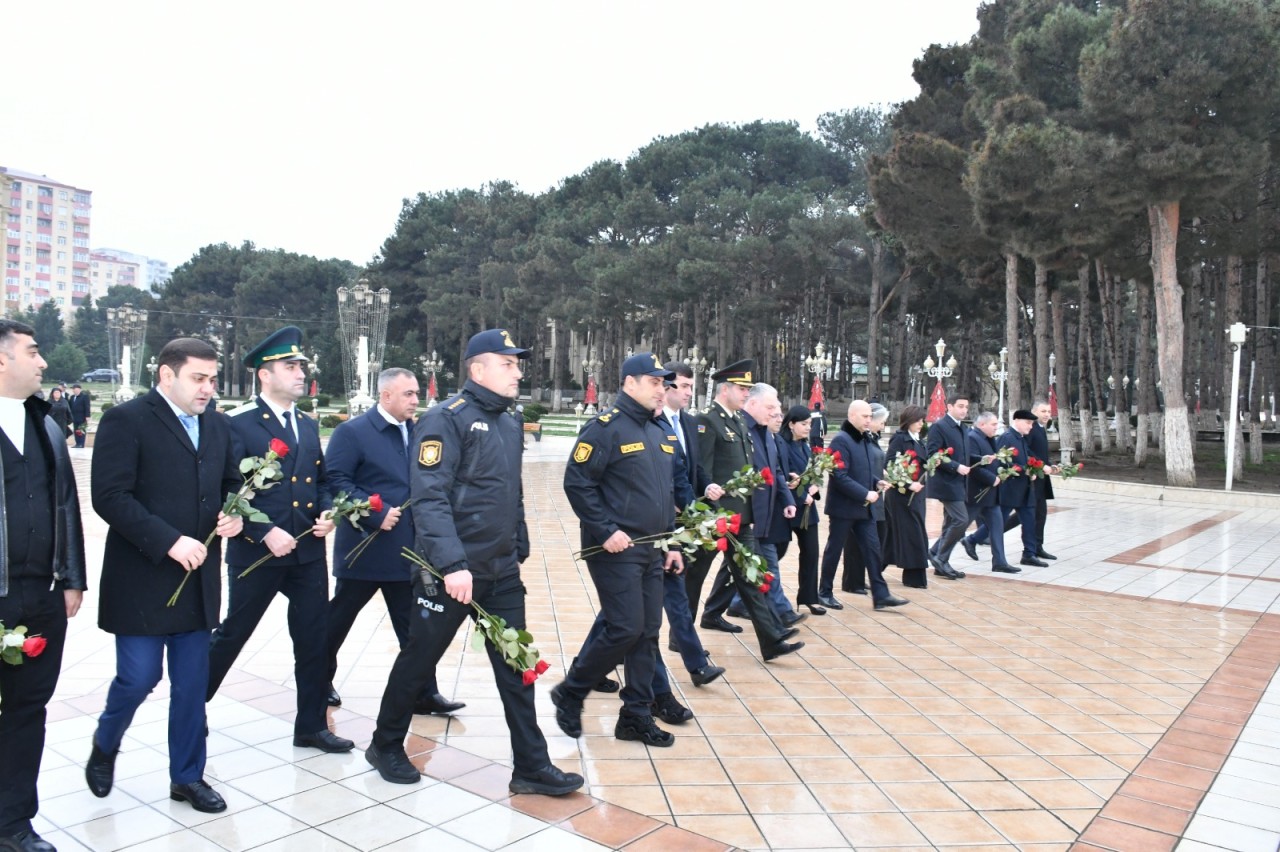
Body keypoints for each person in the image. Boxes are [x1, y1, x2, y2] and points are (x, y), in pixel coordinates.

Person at [365, 329, 582, 797]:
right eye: (508, 364)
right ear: (477, 369)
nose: (518, 372)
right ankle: (384, 745)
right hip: (451, 574)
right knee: (419, 660)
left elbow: (510, 490)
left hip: (500, 571)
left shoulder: (508, 421)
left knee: (516, 665)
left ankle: (531, 766)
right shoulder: (447, 419)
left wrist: (518, 542)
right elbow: (430, 497)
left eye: (517, 364)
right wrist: (452, 564)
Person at [87, 337, 241, 816]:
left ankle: (188, 777)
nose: (208, 389)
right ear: (166, 375)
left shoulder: (217, 425)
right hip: (143, 576)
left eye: (213, 379)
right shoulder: (126, 420)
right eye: (199, 378)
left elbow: (232, 482)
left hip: (196, 580)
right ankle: (106, 741)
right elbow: (110, 496)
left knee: (192, 687)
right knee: (138, 678)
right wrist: (168, 540)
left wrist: (235, 514)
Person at [207, 327, 352, 754]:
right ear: (264, 375)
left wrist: (327, 513)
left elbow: (321, 480)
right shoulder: (236, 424)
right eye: (290, 367)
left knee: (313, 638)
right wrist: (262, 530)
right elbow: (224, 487)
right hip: (257, 553)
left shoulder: (306, 424)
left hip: (306, 552)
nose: (300, 373)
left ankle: (310, 726)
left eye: (301, 366)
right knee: (233, 634)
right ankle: (190, 709)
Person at [556, 353, 684, 748]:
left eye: (665, 383)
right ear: (630, 383)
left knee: (647, 631)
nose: (663, 389)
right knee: (625, 627)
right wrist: (606, 529)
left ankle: (635, 715)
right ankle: (572, 690)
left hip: (651, 547)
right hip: (614, 548)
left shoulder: (660, 430)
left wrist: (672, 542)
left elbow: (666, 495)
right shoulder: (605, 428)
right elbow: (577, 483)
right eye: (655, 382)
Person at [323, 367, 464, 716]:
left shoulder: (419, 432)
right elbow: (335, 480)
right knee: (336, 623)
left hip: (410, 553)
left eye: (417, 393)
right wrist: (374, 512)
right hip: (367, 550)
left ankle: (424, 693)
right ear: (386, 396)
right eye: (409, 394)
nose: (416, 400)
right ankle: (318, 680)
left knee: (416, 629)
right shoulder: (352, 432)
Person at [0, 320, 86, 852]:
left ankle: (13, 822)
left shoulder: (46, 423)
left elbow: (66, 508)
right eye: (33, 352)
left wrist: (71, 578)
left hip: (41, 595)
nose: (44, 362)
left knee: (29, 709)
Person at [688, 361, 802, 662]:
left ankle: (772, 640)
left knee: (752, 579)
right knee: (694, 578)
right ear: (725, 389)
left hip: (742, 519)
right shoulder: (708, 421)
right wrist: (711, 507)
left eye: (748, 389)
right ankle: (681, 636)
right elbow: (703, 470)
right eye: (742, 388)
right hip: (717, 519)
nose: (745, 393)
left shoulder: (738, 422)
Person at [722, 384, 802, 626]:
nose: (774, 413)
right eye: (770, 407)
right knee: (761, 565)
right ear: (752, 404)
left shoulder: (766, 432)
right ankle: (781, 613)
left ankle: (726, 607)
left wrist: (787, 500)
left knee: (741, 567)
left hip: (765, 513)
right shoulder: (740, 428)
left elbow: (775, 470)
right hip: (747, 513)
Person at [819, 400, 909, 612]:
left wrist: (877, 482)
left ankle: (881, 594)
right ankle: (824, 592)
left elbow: (865, 470)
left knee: (872, 549)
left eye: (870, 416)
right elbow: (838, 475)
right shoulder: (841, 440)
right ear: (852, 416)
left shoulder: (865, 439)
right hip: (843, 507)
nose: (869, 420)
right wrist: (865, 492)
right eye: (865, 416)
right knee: (834, 549)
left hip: (864, 507)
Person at [778, 404, 824, 615]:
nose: (808, 428)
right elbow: (784, 477)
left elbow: (812, 475)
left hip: (807, 509)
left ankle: (808, 598)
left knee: (811, 552)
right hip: (788, 507)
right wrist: (800, 495)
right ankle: (741, 598)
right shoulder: (781, 446)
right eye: (804, 424)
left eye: (810, 424)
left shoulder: (805, 447)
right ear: (791, 424)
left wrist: (814, 491)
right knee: (775, 553)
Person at [999, 400, 1057, 561]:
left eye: (1048, 411)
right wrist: (1041, 465)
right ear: (1034, 412)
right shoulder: (1030, 429)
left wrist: (1050, 465)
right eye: (1043, 411)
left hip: (1039, 476)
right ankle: (986, 534)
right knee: (1030, 513)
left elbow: (1039, 452)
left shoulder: (1039, 428)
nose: (1047, 414)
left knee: (1035, 514)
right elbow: (1027, 451)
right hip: (1031, 477)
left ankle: (1035, 547)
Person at [959, 412, 1016, 572]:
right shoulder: (972, 438)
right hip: (976, 494)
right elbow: (972, 465)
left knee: (997, 526)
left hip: (990, 494)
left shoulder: (989, 439)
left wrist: (1003, 472)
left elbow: (993, 462)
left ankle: (1000, 562)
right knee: (959, 526)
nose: (996, 428)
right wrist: (992, 479)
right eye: (993, 424)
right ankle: (936, 552)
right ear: (982, 424)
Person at [841, 404, 889, 594]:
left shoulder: (871, 439)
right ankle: (853, 581)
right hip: (861, 494)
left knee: (873, 539)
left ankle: (867, 581)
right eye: (881, 422)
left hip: (874, 492)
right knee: (854, 542)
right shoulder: (853, 439)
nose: (882, 426)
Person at [882, 405, 930, 589]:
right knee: (914, 535)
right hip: (901, 496)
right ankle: (914, 577)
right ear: (908, 421)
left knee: (893, 537)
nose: (921, 424)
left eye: (922, 420)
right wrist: (909, 484)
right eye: (918, 420)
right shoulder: (900, 439)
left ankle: (876, 566)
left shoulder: (920, 440)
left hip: (917, 496)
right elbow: (889, 465)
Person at [925, 394, 971, 580]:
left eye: (966, 407)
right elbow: (933, 454)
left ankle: (941, 564)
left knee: (951, 522)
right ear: (949, 407)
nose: (964, 410)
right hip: (945, 483)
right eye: (960, 406)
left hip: (958, 482)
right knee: (961, 520)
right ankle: (939, 557)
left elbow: (964, 455)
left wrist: (980, 460)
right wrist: (955, 467)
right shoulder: (939, 427)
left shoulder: (963, 428)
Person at [68, 383, 90, 448]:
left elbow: (87, 406)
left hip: (82, 417)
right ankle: (77, 443)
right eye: (73, 389)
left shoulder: (84, 397)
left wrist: (87, 416)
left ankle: (81, 443)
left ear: (79, 389)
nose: (73, 390)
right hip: (74, 417)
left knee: (81, 430)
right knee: (76, 430)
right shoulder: (72, 397)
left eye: (74, 388)